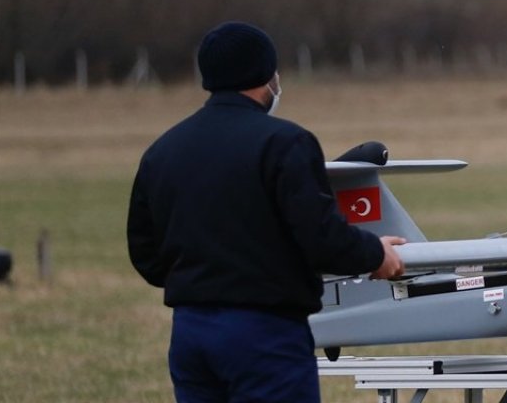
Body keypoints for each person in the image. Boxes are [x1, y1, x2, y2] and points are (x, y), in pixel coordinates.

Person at [127, 21, 407, 403]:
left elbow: (146, 253)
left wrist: (202, 280)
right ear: (266, 75)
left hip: (191, 333)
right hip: (265, 334)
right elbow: (320, 236)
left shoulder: (162, 151)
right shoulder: (285, 142)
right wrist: (375, 254)